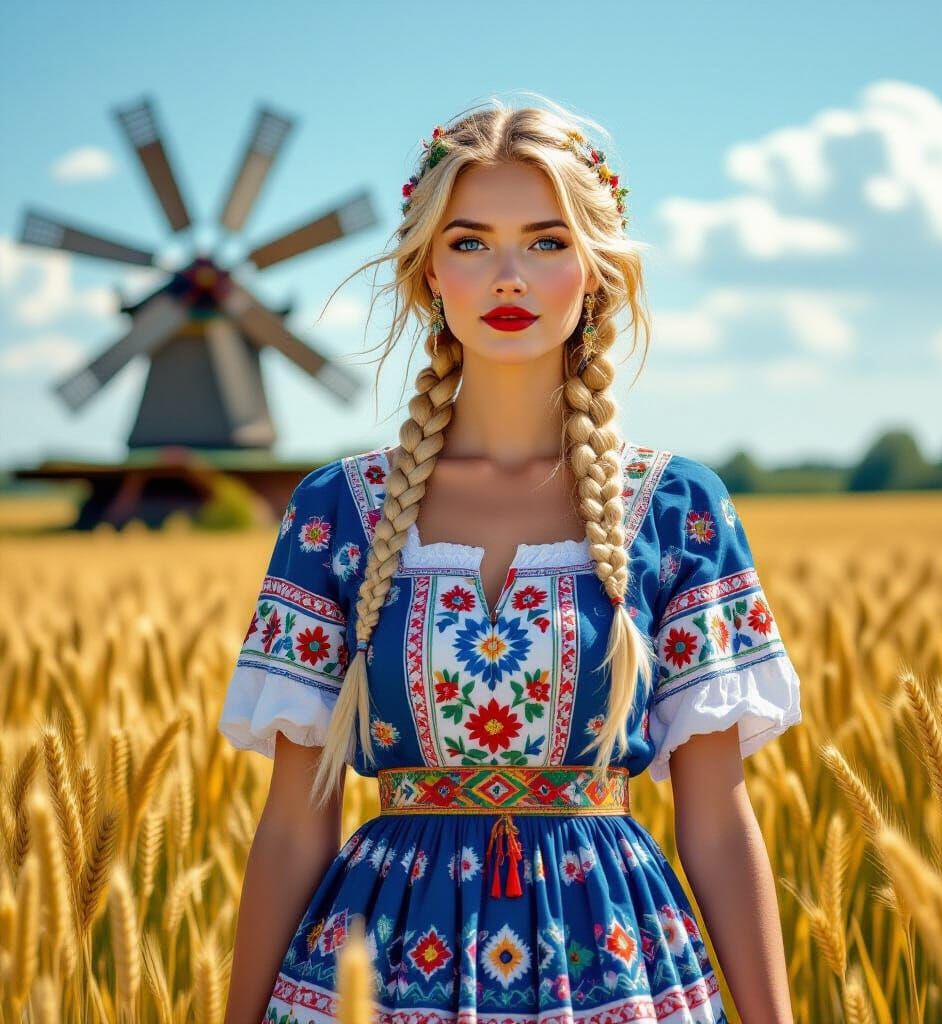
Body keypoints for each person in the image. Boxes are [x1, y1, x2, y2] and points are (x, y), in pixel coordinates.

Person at [218, 95, 803, 1024]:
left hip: (614, 966)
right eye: (469, 242)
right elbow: (295, 820)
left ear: (596, 271)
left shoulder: (680, 507)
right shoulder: (339, 510)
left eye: (545, 241)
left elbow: (719, 821)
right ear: (425, 274)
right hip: (374, 970)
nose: (507, 277)